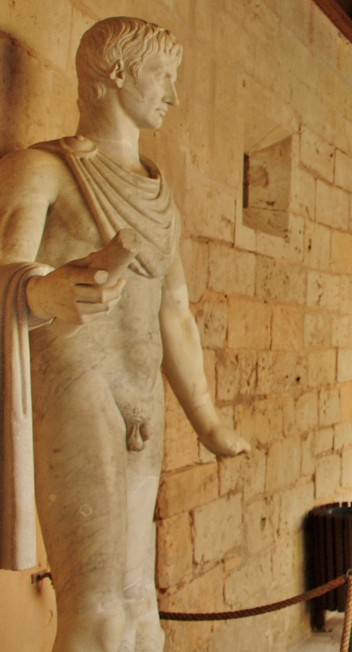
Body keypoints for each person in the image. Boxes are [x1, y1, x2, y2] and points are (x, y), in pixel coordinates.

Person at [0, 17, 249, 652]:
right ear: (113, 76)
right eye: (162, 76)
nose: (174, 94)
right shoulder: (44, 170)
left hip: (142, 398)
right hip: (77, 388)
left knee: (142, 610)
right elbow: (6, 272)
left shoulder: (157, 188)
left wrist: (207, 418)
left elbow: (176, 311)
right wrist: (39, 290)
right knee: (98, 612)